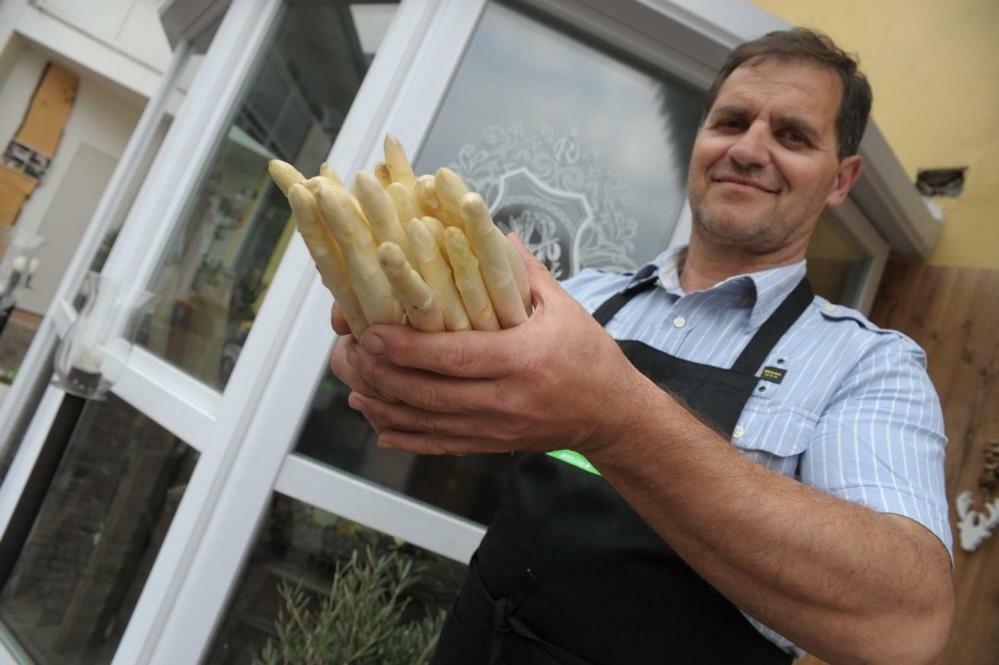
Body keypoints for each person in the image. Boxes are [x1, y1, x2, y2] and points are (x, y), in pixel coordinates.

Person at [330, 28, 954, 665]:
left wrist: (613, 415)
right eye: (731, 122)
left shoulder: (867, 365)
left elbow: (904, 624)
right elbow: (446, 383)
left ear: (842, 179)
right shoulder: (576, 300)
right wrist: (394, 351)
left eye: (792, 135)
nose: (748, 149)